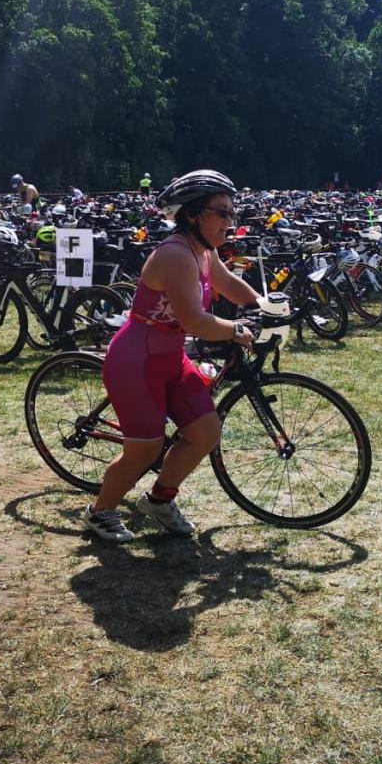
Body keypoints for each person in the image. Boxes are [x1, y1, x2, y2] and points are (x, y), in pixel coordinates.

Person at [82, 170, 261, 543]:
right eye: (222, 212)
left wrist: (263, 305)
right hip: (136, 361)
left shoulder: (203, 250)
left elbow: (228, 284)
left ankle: (160, 501)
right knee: (144, 450)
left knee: (206, 433)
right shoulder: (176, 254)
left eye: (232, 213)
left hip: (170, 357)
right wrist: (236, 329)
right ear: (193, 214)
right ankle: (100, 512)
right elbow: (194, 321)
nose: (230, 221)